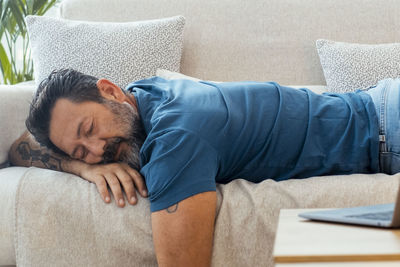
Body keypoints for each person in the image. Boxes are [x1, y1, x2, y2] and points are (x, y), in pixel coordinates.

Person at [8, 68, 396, 266]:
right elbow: (18, 148)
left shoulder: (176, 137)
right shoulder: (143, 97)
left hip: (386, 131)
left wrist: (82, 162)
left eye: (89, 129)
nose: (96, 150)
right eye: (79, 150)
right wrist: (84, 170)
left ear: (110, 91)